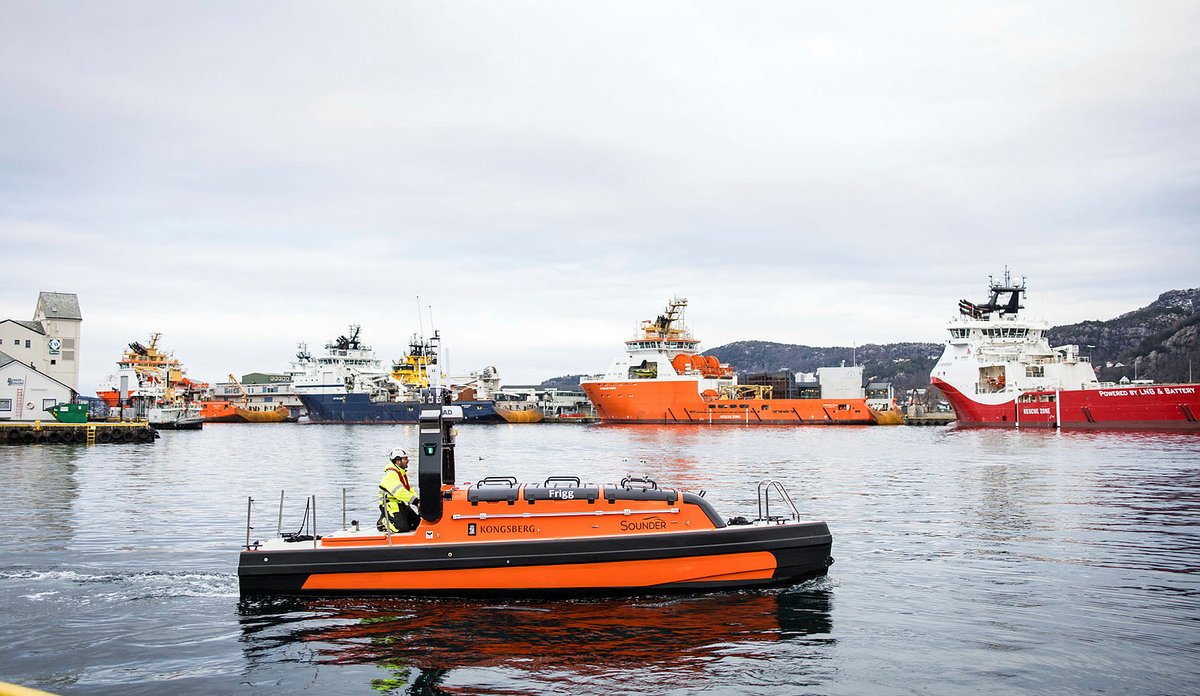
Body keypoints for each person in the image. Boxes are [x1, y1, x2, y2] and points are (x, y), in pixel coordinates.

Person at [378, 447, 420, 533]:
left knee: (417, 524)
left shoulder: (400, 472)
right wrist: (416, 501)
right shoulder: (392, 474)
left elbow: (408, 489)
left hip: (399, 504)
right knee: (400, 528)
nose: (408, 460)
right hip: (391, 505)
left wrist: (419, 500)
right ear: (398, 461)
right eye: (405, 458)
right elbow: (399, 492)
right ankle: (382, 522)